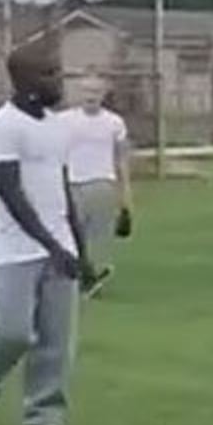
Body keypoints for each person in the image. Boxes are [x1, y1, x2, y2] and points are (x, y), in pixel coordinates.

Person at [0, 43, 94, 425]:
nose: (58, 81)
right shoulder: (2, 126)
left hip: (59, 247)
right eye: (49, 74)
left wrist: (79, 249)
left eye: (58, 72)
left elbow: (62, 189)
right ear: (24, 80)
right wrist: (51, 245)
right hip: (13, 249)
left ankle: (43, 424)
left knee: (56, 341)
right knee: (12, 333)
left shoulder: (57, 127)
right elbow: (11, 194)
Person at [62, 81, 134, 296]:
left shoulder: (114, 122)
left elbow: (121, 158)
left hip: (102, 182)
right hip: (73, 182)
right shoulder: (65, 120)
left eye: (95, 92)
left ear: (103, 94)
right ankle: (80, 275)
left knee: (99, 233)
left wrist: (126, 193)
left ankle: (93, 273)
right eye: (86, 91)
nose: (91, 96)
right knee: (73, 233)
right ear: (79, 93)